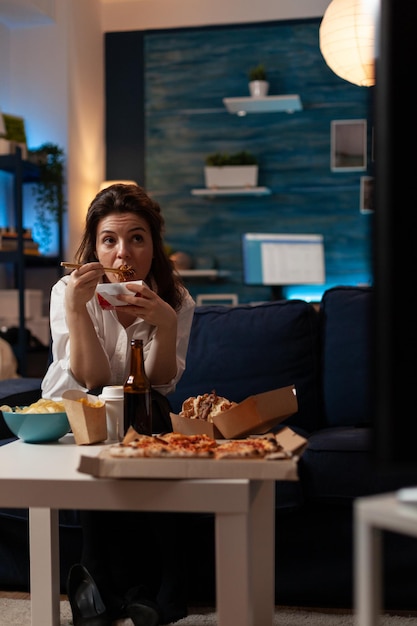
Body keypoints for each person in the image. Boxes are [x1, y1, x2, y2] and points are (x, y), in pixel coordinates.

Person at [42, 183, 196, 626]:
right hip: (82, 405)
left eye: (136, 238)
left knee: (153, 410)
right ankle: (113, 579)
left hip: (143, 407)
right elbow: (91, 379)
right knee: (105, 425)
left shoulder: (176, 297)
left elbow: (160, 379)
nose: (122, 253)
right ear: (94, 247)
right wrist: (75, 307)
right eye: (109, 240)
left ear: (153, 245)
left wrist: (165, 324)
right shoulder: (68, 290)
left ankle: (141, 581)